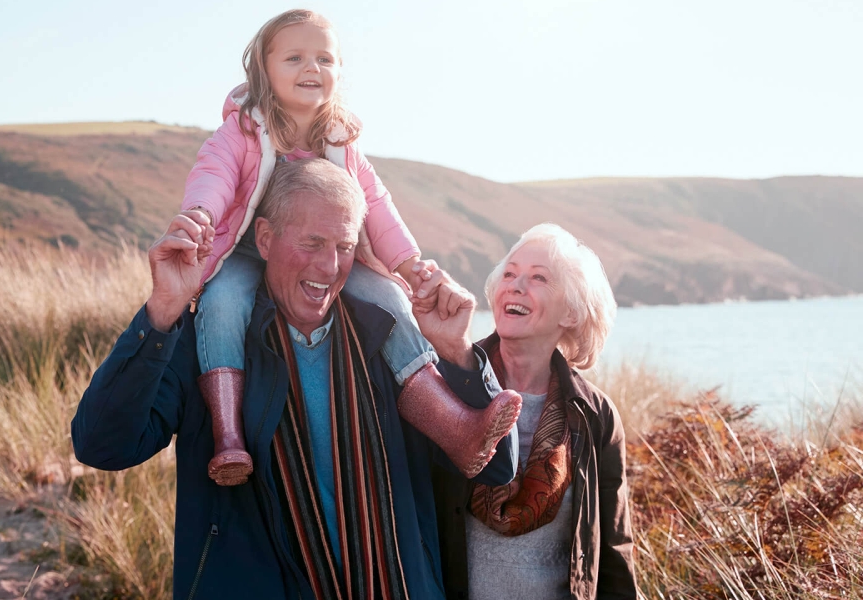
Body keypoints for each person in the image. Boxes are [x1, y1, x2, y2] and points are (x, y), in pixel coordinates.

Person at [72, 158, 521, 600]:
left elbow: (496, 467)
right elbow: (103, 446)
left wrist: (457, 352)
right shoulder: (207, 343)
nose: (329, 267)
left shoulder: (390, 340)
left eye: (344, 247)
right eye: (311, 243)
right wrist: (162, 310)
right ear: (264, 239)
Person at [180, 8, 519, 487]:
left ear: (339, 72)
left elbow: (375, 204)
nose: (311, 68)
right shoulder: (244, 130)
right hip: (246, 250)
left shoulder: (342, 143)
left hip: (329, 254)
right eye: (294, 57)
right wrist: (200, 216)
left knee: (391, 299)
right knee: (222, 303)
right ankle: (229, 435)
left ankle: (455, 426)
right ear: (263, 67)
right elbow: (213, 175)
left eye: (325, 58)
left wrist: (407, 262)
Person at [433, 223, 639, 599]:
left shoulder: (596, 416)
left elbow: (613, 547)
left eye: (538, 278)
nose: (515, 285)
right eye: (509, 274)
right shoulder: (448, 384)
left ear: (571, 313)